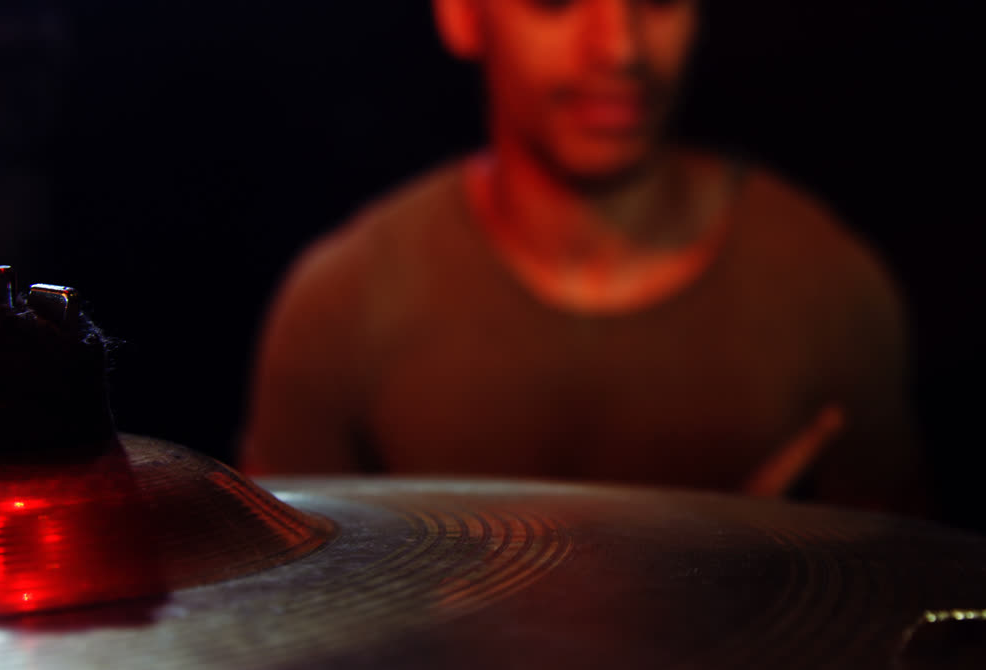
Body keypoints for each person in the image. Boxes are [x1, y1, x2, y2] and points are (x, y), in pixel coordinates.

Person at [241, 0, 926, 513]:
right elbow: (278, 631)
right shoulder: (341, 309)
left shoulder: (827, 286)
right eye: (557, 1)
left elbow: (912, 626)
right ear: (460, 13)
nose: (620, 47)